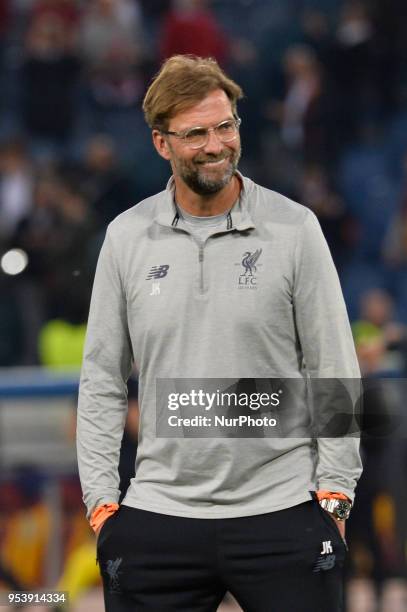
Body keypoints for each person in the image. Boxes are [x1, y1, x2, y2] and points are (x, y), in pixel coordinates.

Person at [77, 54, 362, 611]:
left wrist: (337, 493)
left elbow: (334, 368)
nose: (216, 145)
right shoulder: (126, 237)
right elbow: (102, 381)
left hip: (285, 511)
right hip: (156, 515)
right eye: (196, 134)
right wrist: (102, 503)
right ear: (162, 143)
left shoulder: (295, 228)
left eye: (225, 126)